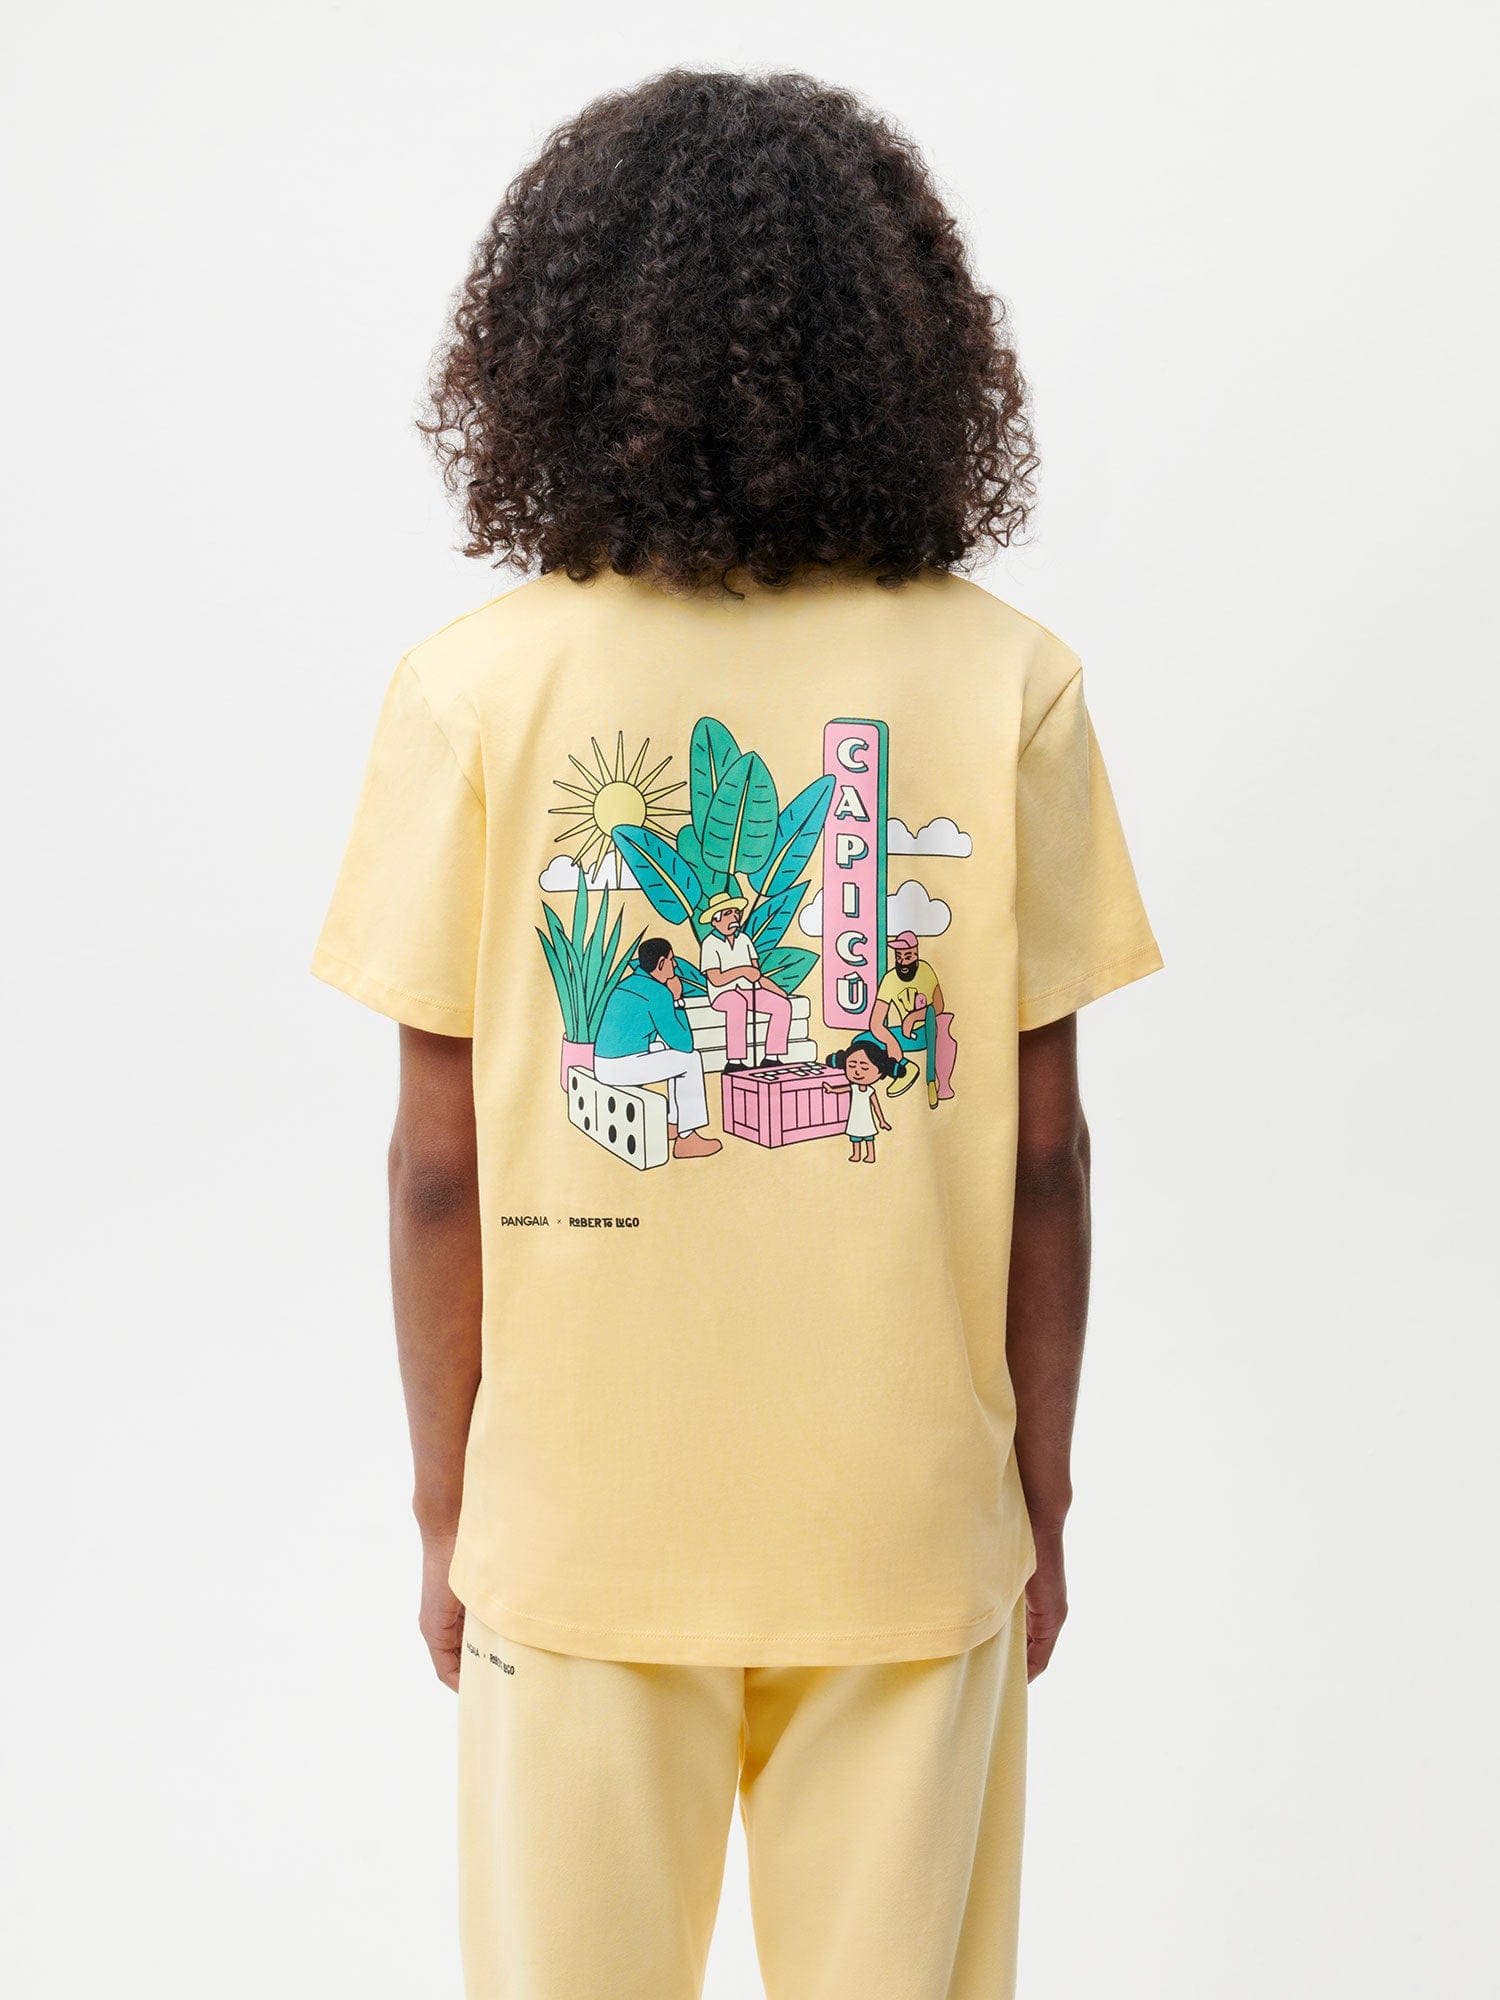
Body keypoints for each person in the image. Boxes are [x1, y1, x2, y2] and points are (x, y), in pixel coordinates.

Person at [312, 68, 1163, 2000]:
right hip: (904, 1526)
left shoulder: (471, 695)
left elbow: (438, 1168)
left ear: (550, 355)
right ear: (906, 353)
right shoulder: (1009, 685)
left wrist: (451, 1510)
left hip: (579, 1529)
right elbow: (1044, 1156)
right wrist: (1037, 1497)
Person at [592, 937, 722, 1160]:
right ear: (661, 964)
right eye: (672, 960)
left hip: (603, 1064)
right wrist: (677, 999)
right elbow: (684, 1044)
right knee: (690, 1060)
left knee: (662, 1048)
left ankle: (674, 1124)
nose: (676, 965)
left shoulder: (628, 983)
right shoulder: (658, 993)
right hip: (622, 1067)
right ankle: (687, 1139)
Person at [698, 889, 794, 1069]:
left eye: (736, 912)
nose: (734, 917)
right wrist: (742, 971)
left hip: (750, 991)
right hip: (723, 994)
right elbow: (716, 979)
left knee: (783, 1005)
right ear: (715, 920)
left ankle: (772, 1057)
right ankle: (735, 1061)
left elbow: (756, 974)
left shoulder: (744, 940)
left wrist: (779, 992)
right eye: (728, 913)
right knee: (737, 1002)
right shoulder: (710, 943)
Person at [870, 929, 951, 1106]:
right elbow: (875, 1023)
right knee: (862, 1041)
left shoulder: (925, 970)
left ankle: (932, 1082)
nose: (903, 962)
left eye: (908, 957)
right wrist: (891, 1042)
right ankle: (904, 1068)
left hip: (927, 1031)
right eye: (898, 957)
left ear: (916, 954)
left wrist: (913, 1017)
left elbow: (939, 1006)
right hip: (904, 1035)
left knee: (935, 1021)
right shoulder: (890, 979)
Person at [822, 1038, 896, 1161]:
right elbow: (843, 1089)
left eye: (865, 1068)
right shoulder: (854, 1087)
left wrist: (882, 1121)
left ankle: (870, 1155)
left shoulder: (870, 1091)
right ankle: (856, 1154)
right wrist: (831, 1089)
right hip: (855, 1119)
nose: (857, 1071)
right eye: (851, 1066)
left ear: (880, 1072)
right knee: (855, 1137)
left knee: (869, 1137)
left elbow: (876, 1106)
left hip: (867, 1119)